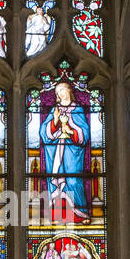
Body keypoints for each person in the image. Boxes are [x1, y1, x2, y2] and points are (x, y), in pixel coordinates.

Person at [41, 81, 90, 222]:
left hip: (73, 152)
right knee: (57, 181)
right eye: (58, 92)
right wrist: (55, 120)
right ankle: (59, 216)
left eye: (62, 89)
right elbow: (44, 133)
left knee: (73, 181)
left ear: (69, 91)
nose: (60, 93)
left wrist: (70, 130)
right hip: (57, 152)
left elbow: (84, 134)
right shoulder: (55, 110)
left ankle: (80, 214)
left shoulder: (77, 109)